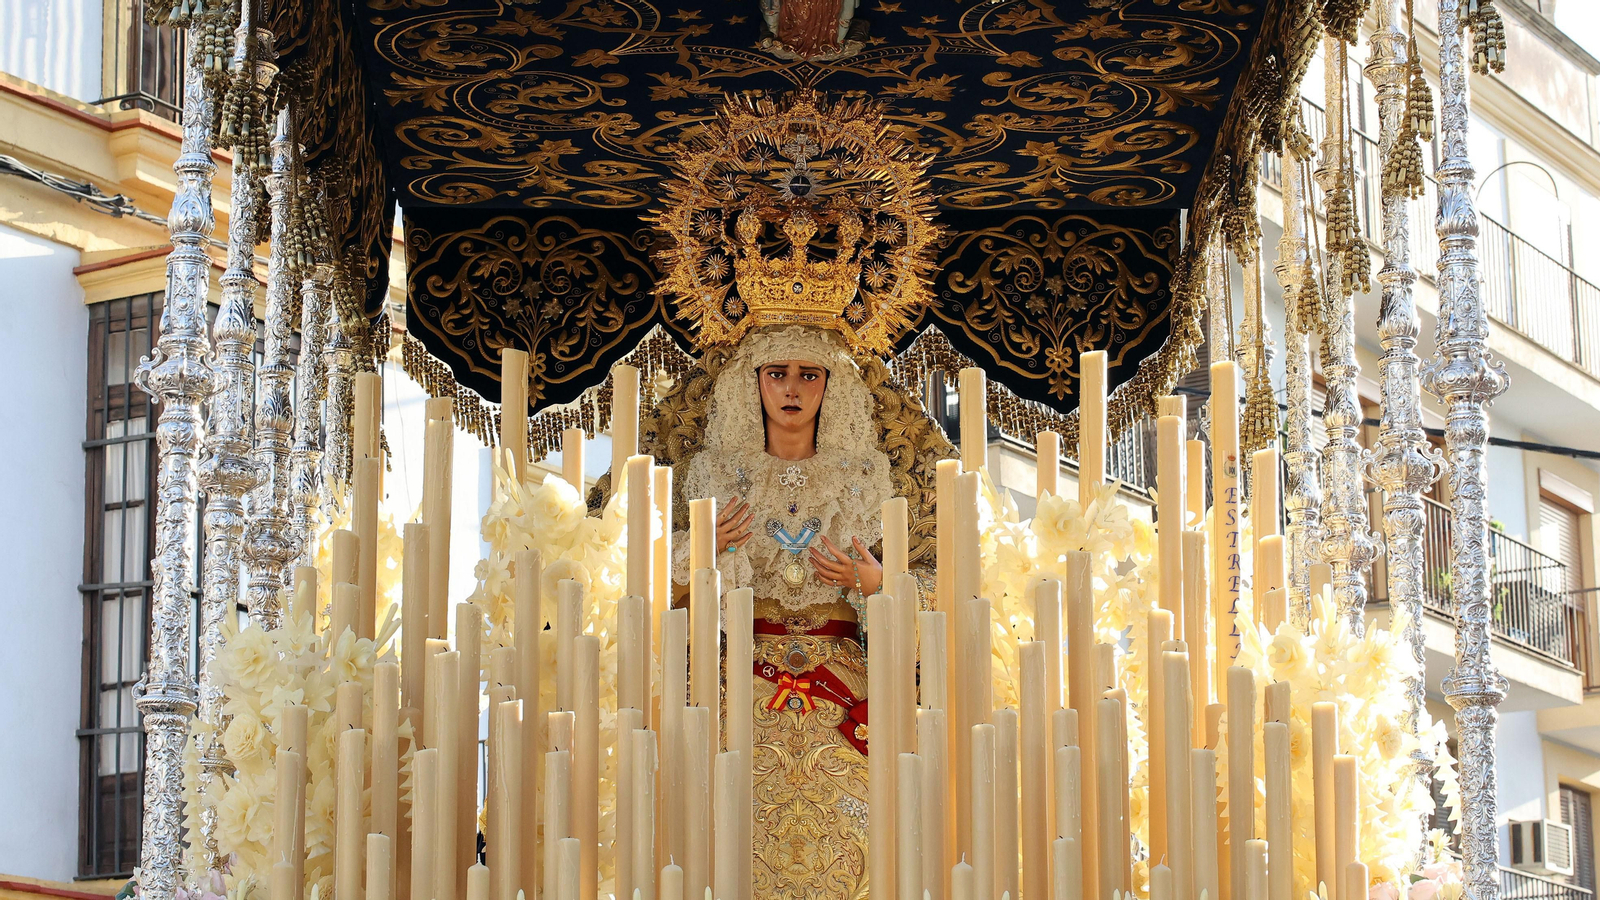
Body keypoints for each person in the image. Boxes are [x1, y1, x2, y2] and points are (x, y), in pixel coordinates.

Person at [673, 324, 897, 900]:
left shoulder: (865, 479)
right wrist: (700, 555)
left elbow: (917, 599)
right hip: (743, 686)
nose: (792, 389)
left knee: (858, 832)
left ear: (830, 386)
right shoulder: (716, 477)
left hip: (844, 688)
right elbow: (672, 608)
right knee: (729, 826)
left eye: (809, 374)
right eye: (777, 373)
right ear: (755, 384)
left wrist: (872, 583)